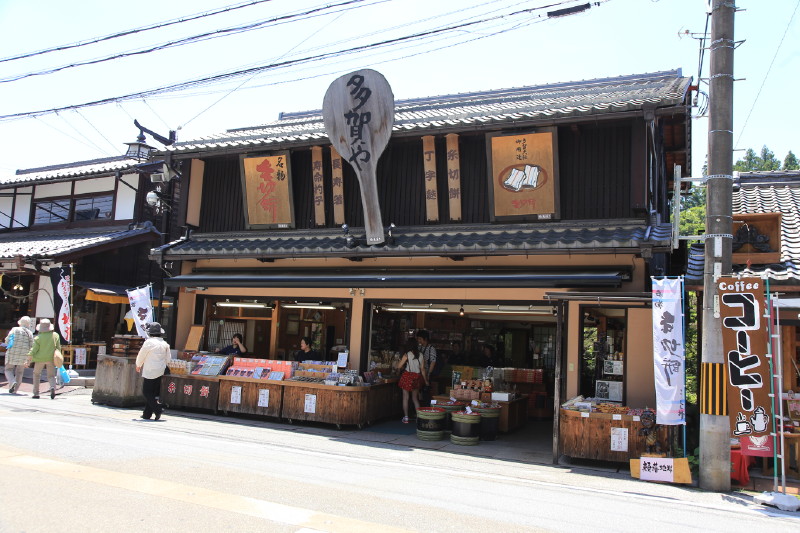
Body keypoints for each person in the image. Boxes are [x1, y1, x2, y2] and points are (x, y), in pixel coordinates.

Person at [135, 322, 171, 421]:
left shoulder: (149, 342)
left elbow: (142, 354)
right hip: (160, 370)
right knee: (152, 393)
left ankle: (158, 409)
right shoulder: (165, 344)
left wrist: (138, 364)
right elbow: (168, 359)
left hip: (150, 370)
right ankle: (147, 414)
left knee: (146, 392)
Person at [396, 338, 428, 424]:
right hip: (416, 377)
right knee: (415, 398)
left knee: (405, 397)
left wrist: (399, 361)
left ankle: (406, 417)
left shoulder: (407, 354)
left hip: (407, 376)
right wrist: (425, 380)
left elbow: (399, 366)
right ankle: (419, 417)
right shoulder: (421, 355)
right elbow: (423, 370)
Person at [27, 318, 60, 400]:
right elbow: (58, 348)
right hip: (51, 358)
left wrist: (29, 356)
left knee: (36, 374)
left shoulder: (38, 337)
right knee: (51, 375)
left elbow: (34, 349)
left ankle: (36, 393)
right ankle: (52, 387)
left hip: (39, 359)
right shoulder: (55, 335)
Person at [4, 316, 34, 394]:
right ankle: (15, 390)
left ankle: (12, 382)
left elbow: (8, 340)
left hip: (12, 353)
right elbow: (32, 345)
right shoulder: (29, 333)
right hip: (24, 355)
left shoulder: (14, 329)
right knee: (20, 372)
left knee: (8, 369)